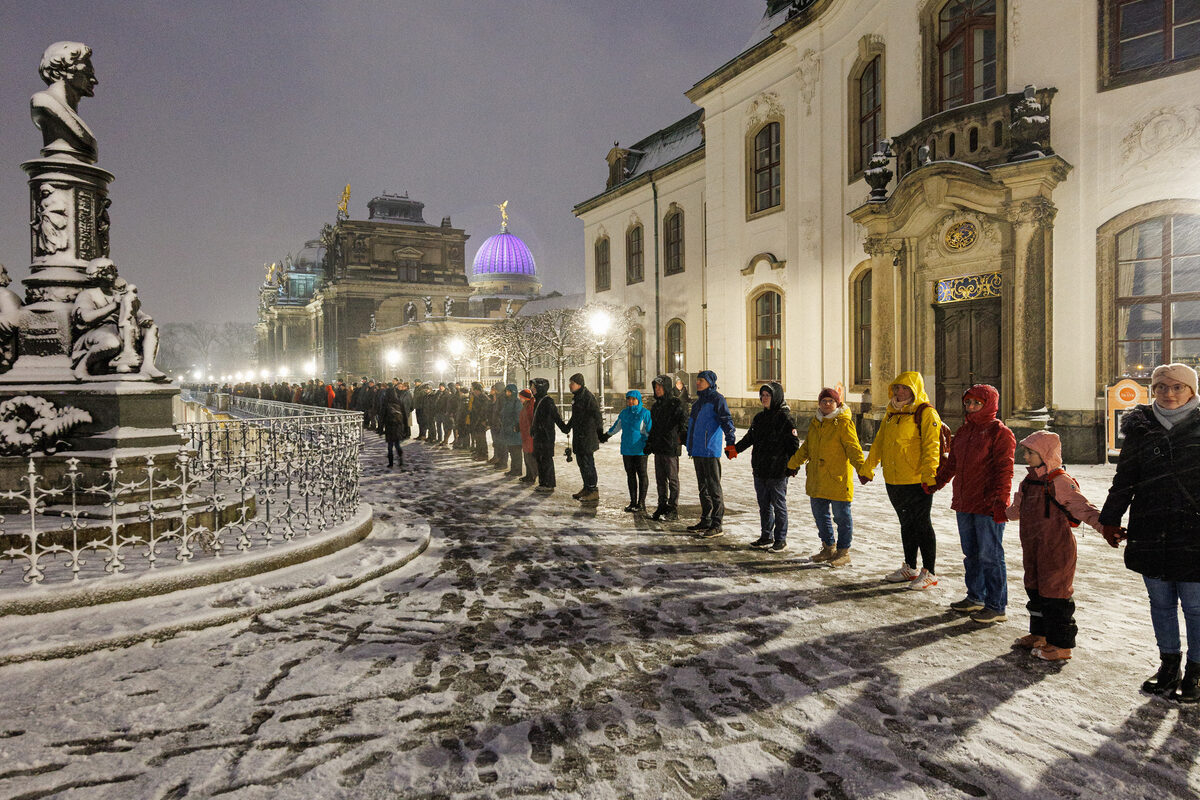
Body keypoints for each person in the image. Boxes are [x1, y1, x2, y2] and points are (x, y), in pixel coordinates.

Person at [1100, 363, 1200, 700]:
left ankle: (1196, 673)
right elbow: (1124, 479)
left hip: (1194, 533)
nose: (1168, 394)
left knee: (1196, 606)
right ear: (1152, 390)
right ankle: (1168, 666)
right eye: (1161, 387)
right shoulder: (1140, 428)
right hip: (1150, 529)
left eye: (1177, 387)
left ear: (1191, 390)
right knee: (1161, 604)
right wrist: (1110, 519)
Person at [1007, 430, 1102, 662]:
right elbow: (1015, 511)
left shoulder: (1059, 481)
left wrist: (1105, 526)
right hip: (1032, 546)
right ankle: (1039, 634)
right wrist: (997, 509)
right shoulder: (1028, 482)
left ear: (1046, 454)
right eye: (1025, 452)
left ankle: (1061, 644)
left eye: (1031, 452)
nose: (1026, 457)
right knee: (1035, 589)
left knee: (1056, 595)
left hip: (1056, 548)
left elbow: (1082, 508)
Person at [934, 384, 1016, 625]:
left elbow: (1005, 470)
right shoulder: (965, 431)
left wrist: (1000, 502)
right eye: (968, 403)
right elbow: (952, 465)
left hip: (988, 504)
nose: (970, 407)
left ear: (989, 404)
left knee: (990, 555)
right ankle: (976, 596)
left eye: (976, 403)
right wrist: (936, 483)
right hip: (965, 502)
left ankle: (996, 605)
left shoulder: (1000, 433)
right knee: (971, 553)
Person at [861, 371, 943, 590]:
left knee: (922, 524)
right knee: (906, 524)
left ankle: (930, 571)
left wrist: (929, 476)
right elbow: (879, 443)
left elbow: (931, 447)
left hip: (917, 480)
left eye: (905, 388)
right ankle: (910, 566)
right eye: (897, 388)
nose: (900, 392)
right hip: (894, 479)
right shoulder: (891, 413)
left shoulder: (925, 413)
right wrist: (867, 469)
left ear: (915, 390)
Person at [788, 387, 866, 566]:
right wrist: (792, 464)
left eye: (831, 401)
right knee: (820, 515)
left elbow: (854, 449)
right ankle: (828, 547)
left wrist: (863, 469)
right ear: (819, 404)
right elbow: (807, 448)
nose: (827, 404)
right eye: (824, 401)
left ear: (837, 403)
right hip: (817, 479)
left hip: (837, 478)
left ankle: (843, 552)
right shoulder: (816, 422)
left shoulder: (844, 423)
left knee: (842, 517)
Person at [735, 382, 798, 552]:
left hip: (777, 470)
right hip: (760, 469)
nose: (764, 398)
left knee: (778, 505)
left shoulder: (784, 419)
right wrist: (735, 449)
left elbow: (793, 445)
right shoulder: (759, 418)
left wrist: (793, 466)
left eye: (767, 395)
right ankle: (766, 535)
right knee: (764, 505)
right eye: (762, 395)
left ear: (776, 397)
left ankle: (780, 539)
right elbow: (750, 438)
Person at [685, 370, 737, 537]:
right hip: (698, 451)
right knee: (703, 488)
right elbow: (692, 425)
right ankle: (706, 519)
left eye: (701, 380)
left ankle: (717, 523)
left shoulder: (717, 399)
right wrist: (689, 444)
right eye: (697, 380)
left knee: (713, 487)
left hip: (710, 450)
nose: (697, 383)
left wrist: (730, 443)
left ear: (710, 382)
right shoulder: (698, 402)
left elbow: (726, 421)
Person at [645, 374, 688, 521]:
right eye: (655, 387)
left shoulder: (675, 403)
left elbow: (683, 422)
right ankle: (662, 504)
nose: (657, 390)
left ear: (666, 387)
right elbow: (654, 428)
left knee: (672, 479)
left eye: (660, 387)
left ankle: (673, 508)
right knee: (660, 479)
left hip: (670, 446)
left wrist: (682, 438)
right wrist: (650, 443)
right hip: (659, 446)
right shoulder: (656, 406)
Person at [601, 389, 653, 513]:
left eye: (633, 399)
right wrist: (606, 435)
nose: (630, 401)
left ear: (638, 400)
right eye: (628, 399)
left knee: (642, 475)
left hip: (641, 449)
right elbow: (616, 427)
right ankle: (633, 501)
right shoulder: (624, 413)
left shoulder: (645, 413)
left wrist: (650, 444)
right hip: (627, 449)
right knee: (630, 476)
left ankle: (641, 502)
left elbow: (650, 430)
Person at [564, 373, 604, 504]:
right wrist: (568, 427)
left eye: (572, 383)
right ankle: (586, 487)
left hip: (587, 436)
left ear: (579, 384)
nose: (570, 385)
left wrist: (599, 433)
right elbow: (575, 416)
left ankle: (593, 490)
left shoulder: (587, 397)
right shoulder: (577, 397)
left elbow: (597, 416)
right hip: (580, 436)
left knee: (588, 464)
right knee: (582, 463)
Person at [530, 377, 567, 493]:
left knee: (546, 459)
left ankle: (549, 483)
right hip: (539, 435)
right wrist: (533, 429)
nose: (532, 389)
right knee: (540, 459)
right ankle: (543, 482)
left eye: (534, 387)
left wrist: (564, 428)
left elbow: (556, 417)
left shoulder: (547, 401)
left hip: (546, 436)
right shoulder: (538, 400)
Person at [381, 379, 412, 469]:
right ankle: (401, 460)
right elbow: (405, 416)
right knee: (397, 444)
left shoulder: (386, 403)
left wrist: (380, 428)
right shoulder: (399, 402)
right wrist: (405, 427)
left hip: (389, 427)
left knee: (390, 446)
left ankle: (390, 463)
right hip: (398, 426)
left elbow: (382, 416)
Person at [497, 383, 523, 475]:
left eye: (509, 391)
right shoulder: (507, 402)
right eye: (506, 391)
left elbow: (518, 415)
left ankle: (517, 470)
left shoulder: (516, 402)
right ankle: (514, 469)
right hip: (508, 430)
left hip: (514, 431)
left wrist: (516, 426)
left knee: (516, 452)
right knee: (512, 451)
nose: (507, 393)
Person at [517, 388, 537, 483]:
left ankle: (532, 475)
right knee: (526, 456)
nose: (520, 399)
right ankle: (529, 475)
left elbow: (531, 421)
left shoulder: (530, 407)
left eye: (521, 397)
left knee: (530, 457)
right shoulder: (525, 406)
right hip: (525, 435)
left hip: (529, 436)